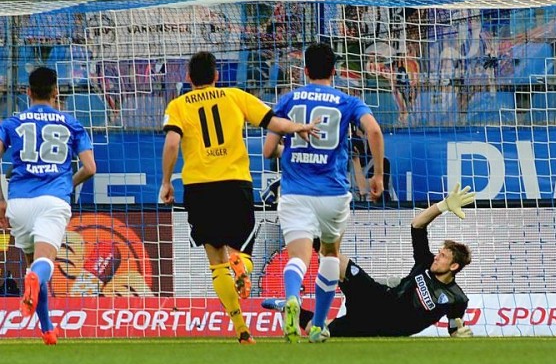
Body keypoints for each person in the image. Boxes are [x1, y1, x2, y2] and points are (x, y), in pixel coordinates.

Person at [160, 51, 318, 344]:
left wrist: (166, 181)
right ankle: (243, 267)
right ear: (217, 76)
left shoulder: (178, 105)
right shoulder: (235, 96)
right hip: (235, 184)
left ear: (189, 78)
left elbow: (172, 142)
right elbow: (273, 122)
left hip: (199, 188)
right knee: (241, 252)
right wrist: (300, 127)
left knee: (216, 263)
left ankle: (241, 329)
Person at [262, 42, 385, 343]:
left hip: (295, 192)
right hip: (333, 193)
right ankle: (318, 325)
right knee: (330, 253)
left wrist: (290, 148)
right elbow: (375, 131)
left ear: (304, 70)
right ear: (334, 70)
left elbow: (268, 151)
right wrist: (378, 174)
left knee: (299, 258)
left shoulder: (289, 100)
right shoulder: (347, 101)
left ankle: (292, 298)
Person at [261, 184, 476, 339]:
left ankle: (289, 309)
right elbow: (417, 225)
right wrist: (444, 205)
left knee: (319, 330)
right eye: (438, 253)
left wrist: (460, 333)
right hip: (378, 298)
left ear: (454, 266)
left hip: (385, 328)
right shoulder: (425, 263)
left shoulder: (458, 299)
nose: (437, 256)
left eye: (443, 256)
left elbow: (455, 328)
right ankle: (297, 208)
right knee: (334, 258)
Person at [0, 67, 96, 345]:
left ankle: (47, 330)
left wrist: (1, 200)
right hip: (53, 200)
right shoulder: (71, 123)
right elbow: (90, 167)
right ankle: (34, 283)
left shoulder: (11, 122)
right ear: (56, 91)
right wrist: (68, 182)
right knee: (43, 266)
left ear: (27, 92)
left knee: (35, 265)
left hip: (18, 202)